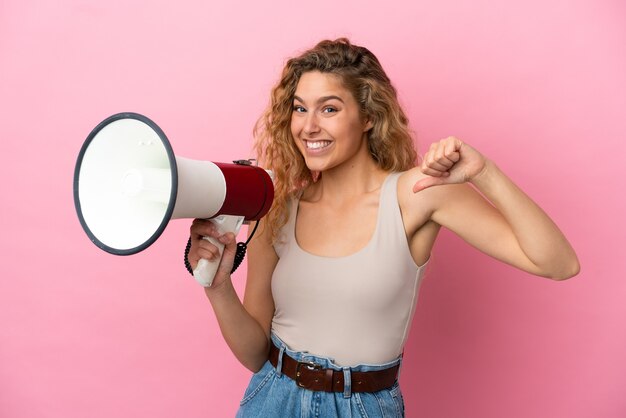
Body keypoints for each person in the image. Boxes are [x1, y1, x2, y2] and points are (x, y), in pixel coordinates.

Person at [186, 38, 579, 417]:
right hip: (272, 400)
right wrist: (218, 287)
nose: (307, 127)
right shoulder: (277, 210)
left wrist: (485, 173)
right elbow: (255, 355)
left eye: (329, 109)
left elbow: (558, 263)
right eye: (300, 109)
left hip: (363, 406)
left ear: (369, 116)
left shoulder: (417, 193)